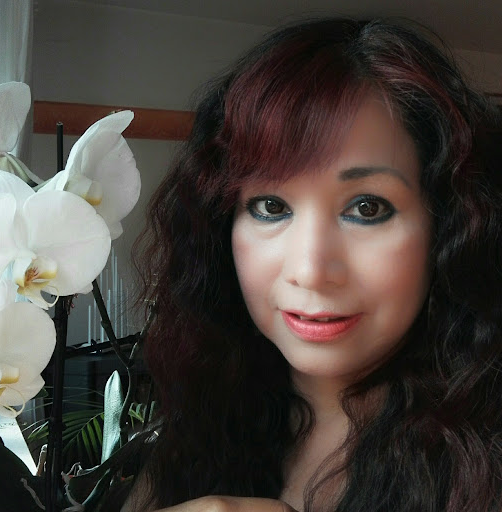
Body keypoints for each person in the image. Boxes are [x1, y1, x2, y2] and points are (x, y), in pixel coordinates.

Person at [125, 17, 502, 512]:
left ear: (447, 227)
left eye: (367, 207)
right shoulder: (195, 429)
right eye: (271, 207)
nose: (310, 270)